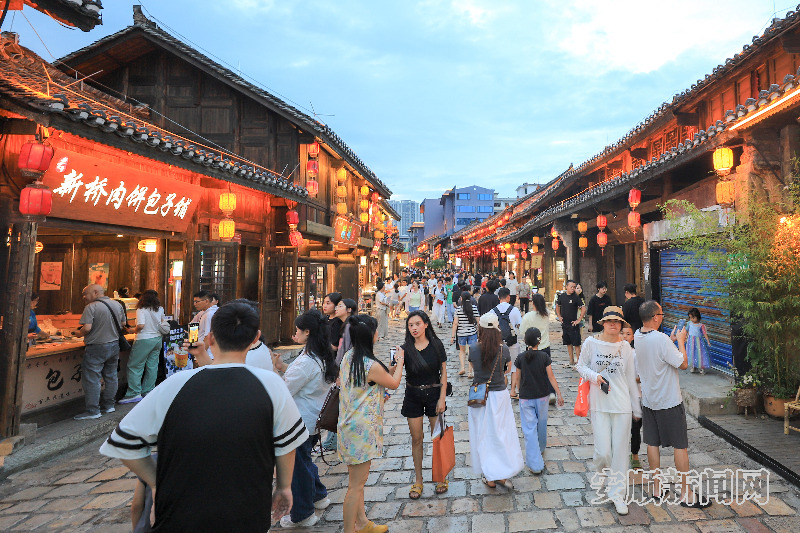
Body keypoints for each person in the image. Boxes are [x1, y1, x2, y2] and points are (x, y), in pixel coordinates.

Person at [100, 303, 308, 531]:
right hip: (246, 511)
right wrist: (284, 487)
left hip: (179, 513)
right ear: (255, 338)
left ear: (210, 338)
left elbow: (124, 442)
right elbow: (287, 444)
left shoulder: (174, 385)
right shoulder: (271, 384)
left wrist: (156, 483)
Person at [635, 301, 709, 508]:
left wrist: (671, 340)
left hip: (649, 400)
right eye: (661, 314)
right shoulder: (660, 339)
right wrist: (681, 342)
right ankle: (686, 493)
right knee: (680, 445)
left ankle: (657, 488)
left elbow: (657, 352)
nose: (663, 317)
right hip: (669, 400)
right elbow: (683, 364)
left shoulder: (638, 335)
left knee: (652, 443)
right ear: (655, 317)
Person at [338, 315, 404, 533]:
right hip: (362, 430)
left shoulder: (350, 357)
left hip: (349, 426)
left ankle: (362, 523)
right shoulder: (370, 364)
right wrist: (400, 361)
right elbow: (393, 383)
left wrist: (389, 371)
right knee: (355, 486)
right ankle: (349, 530)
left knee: (357, 482)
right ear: (370, 335)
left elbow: (370, 382)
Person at [271, 310, 337, 528]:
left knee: (297, 470)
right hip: (311, 420)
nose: (295, 333)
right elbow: (305, 380)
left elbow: (284, 390)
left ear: (307, 332)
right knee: (304, 463)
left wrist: (273, 371)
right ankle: (319, 496)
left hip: (299, 423)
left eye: (298, 330)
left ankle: (303, 514)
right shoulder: (320, 355)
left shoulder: (306, 361)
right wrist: (282, 368)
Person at [576, 306, 641, 516]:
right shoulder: (591, 343)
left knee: (620, 452)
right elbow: (580, 366)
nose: (613, 324)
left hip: (622, 405)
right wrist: (594, 377)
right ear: (603, 323)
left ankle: (617, 494)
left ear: (621, 324)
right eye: (609, 320)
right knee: (603, 452)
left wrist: (636, 407)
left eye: (617, 321)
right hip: (599, 404)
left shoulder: (626, 348)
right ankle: (602, 471)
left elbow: (630, 378)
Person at [397, 311, 449, 499]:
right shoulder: (405, 349)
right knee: (416, 439)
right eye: (411, 325)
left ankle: (441, 476)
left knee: (438, 438)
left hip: (434, 394)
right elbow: (393, 373)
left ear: (426, 324)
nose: (414, 328)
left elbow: (443, 372)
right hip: (413, 395)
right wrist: (395, 360)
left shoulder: (436, 345)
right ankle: (418, 480)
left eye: (417, 324)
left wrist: (442, 398)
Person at [468, 313, 523, 488]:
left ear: (481, 329)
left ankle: (489, 475)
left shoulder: (473, 348)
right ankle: (501, 473)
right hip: (499, 396)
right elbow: (507, 369)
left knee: (483, 436)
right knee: (501, 435)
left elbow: (473, 367)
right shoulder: (503, 349)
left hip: (480, 397)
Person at [70, 284, 126, 420]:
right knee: (111, 376)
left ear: (95, 292)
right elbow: (123, 324)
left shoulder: (91, 307)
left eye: (85, 294)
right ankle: (109, 405)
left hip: (96, 347)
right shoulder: (117, 304)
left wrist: (78, 333)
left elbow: (87, 328)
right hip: (114, 345)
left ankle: (93, 410)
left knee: (92, 379)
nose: (84, 297)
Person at [516, 327, 564, 474]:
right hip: (542, 396)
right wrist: (559, 394)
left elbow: (517, 378)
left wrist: (518, 391)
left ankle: (535, 464)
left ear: (525, 341)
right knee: (541, 425)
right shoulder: (544, 357)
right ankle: (541, 448)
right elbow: (551, 377)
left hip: (526, 397)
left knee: (529, 429)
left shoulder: (520, 358)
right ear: (540, 340)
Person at [119, 290, 166, 404]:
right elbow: (162, 322)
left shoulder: (141, 309)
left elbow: (140, 325)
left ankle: (134, 393)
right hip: (157, 339)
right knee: (152, 365)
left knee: (135, 366)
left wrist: (132, 330)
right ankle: (148, 390)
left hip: (144, 339)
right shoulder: (160, 309)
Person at [514, 293, 551, 398]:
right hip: (545, 346)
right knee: (546, 371)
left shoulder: (528, 316)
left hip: (531, 347)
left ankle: (533, 390)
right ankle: (550, 392)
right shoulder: (546, 314)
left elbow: (522, 331)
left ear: (533, 303)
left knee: (532, 371)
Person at [491, 288, 522, 398]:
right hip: (512, 342)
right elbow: (519, 325)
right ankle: (513, 391)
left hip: (499, 342)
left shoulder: (493, 311)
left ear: (498, 298)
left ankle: (503, 391)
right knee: (514, 367)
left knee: (501, 367)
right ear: (508, 297)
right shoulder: (514, 310)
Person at [621, 324, 643, 470]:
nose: (625, 336)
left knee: (635, 428)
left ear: (633, 337)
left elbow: (642, 376)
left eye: (628, 334)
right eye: (622, 333)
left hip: (635, 396)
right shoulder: (612, 353)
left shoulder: (636, 354)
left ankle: (634, 455)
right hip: (619, 396)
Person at [556, 280, 586, 367]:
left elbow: (583, 308)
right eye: (571, 287)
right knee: (568, 343)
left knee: (576, 343)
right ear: (566, 287)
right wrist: (559, 316)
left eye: (574, 287)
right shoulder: (562, 296)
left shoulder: (576, 297)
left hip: (574, 324)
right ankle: (571, 360)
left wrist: (579, 320)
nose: (573, 288)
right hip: (565, 323)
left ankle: (579, 362)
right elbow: (557, 306)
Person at [451, 292, 479, 377]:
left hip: (461, 333)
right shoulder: (474, 308)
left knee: (462, 351)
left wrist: (452, 336)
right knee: (471, 352)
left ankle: (463, 368)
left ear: (461, 299)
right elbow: (478, 321)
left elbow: (455, 323)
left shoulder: (458, 309)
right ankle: (470, 372)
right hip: (472, 333)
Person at [684, 307, 711, 374]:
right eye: (690, 318)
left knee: (699, 354)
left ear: (697, 317)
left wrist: (708, 341)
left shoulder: (701, 326)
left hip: (699, 343)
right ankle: (693, 366)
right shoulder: (689, 323)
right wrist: (684, 337)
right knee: (691, 354)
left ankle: (701, 367)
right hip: (690, 342)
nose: (691, 319)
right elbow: (686, 331)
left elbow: (705, 334)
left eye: (693, 318)